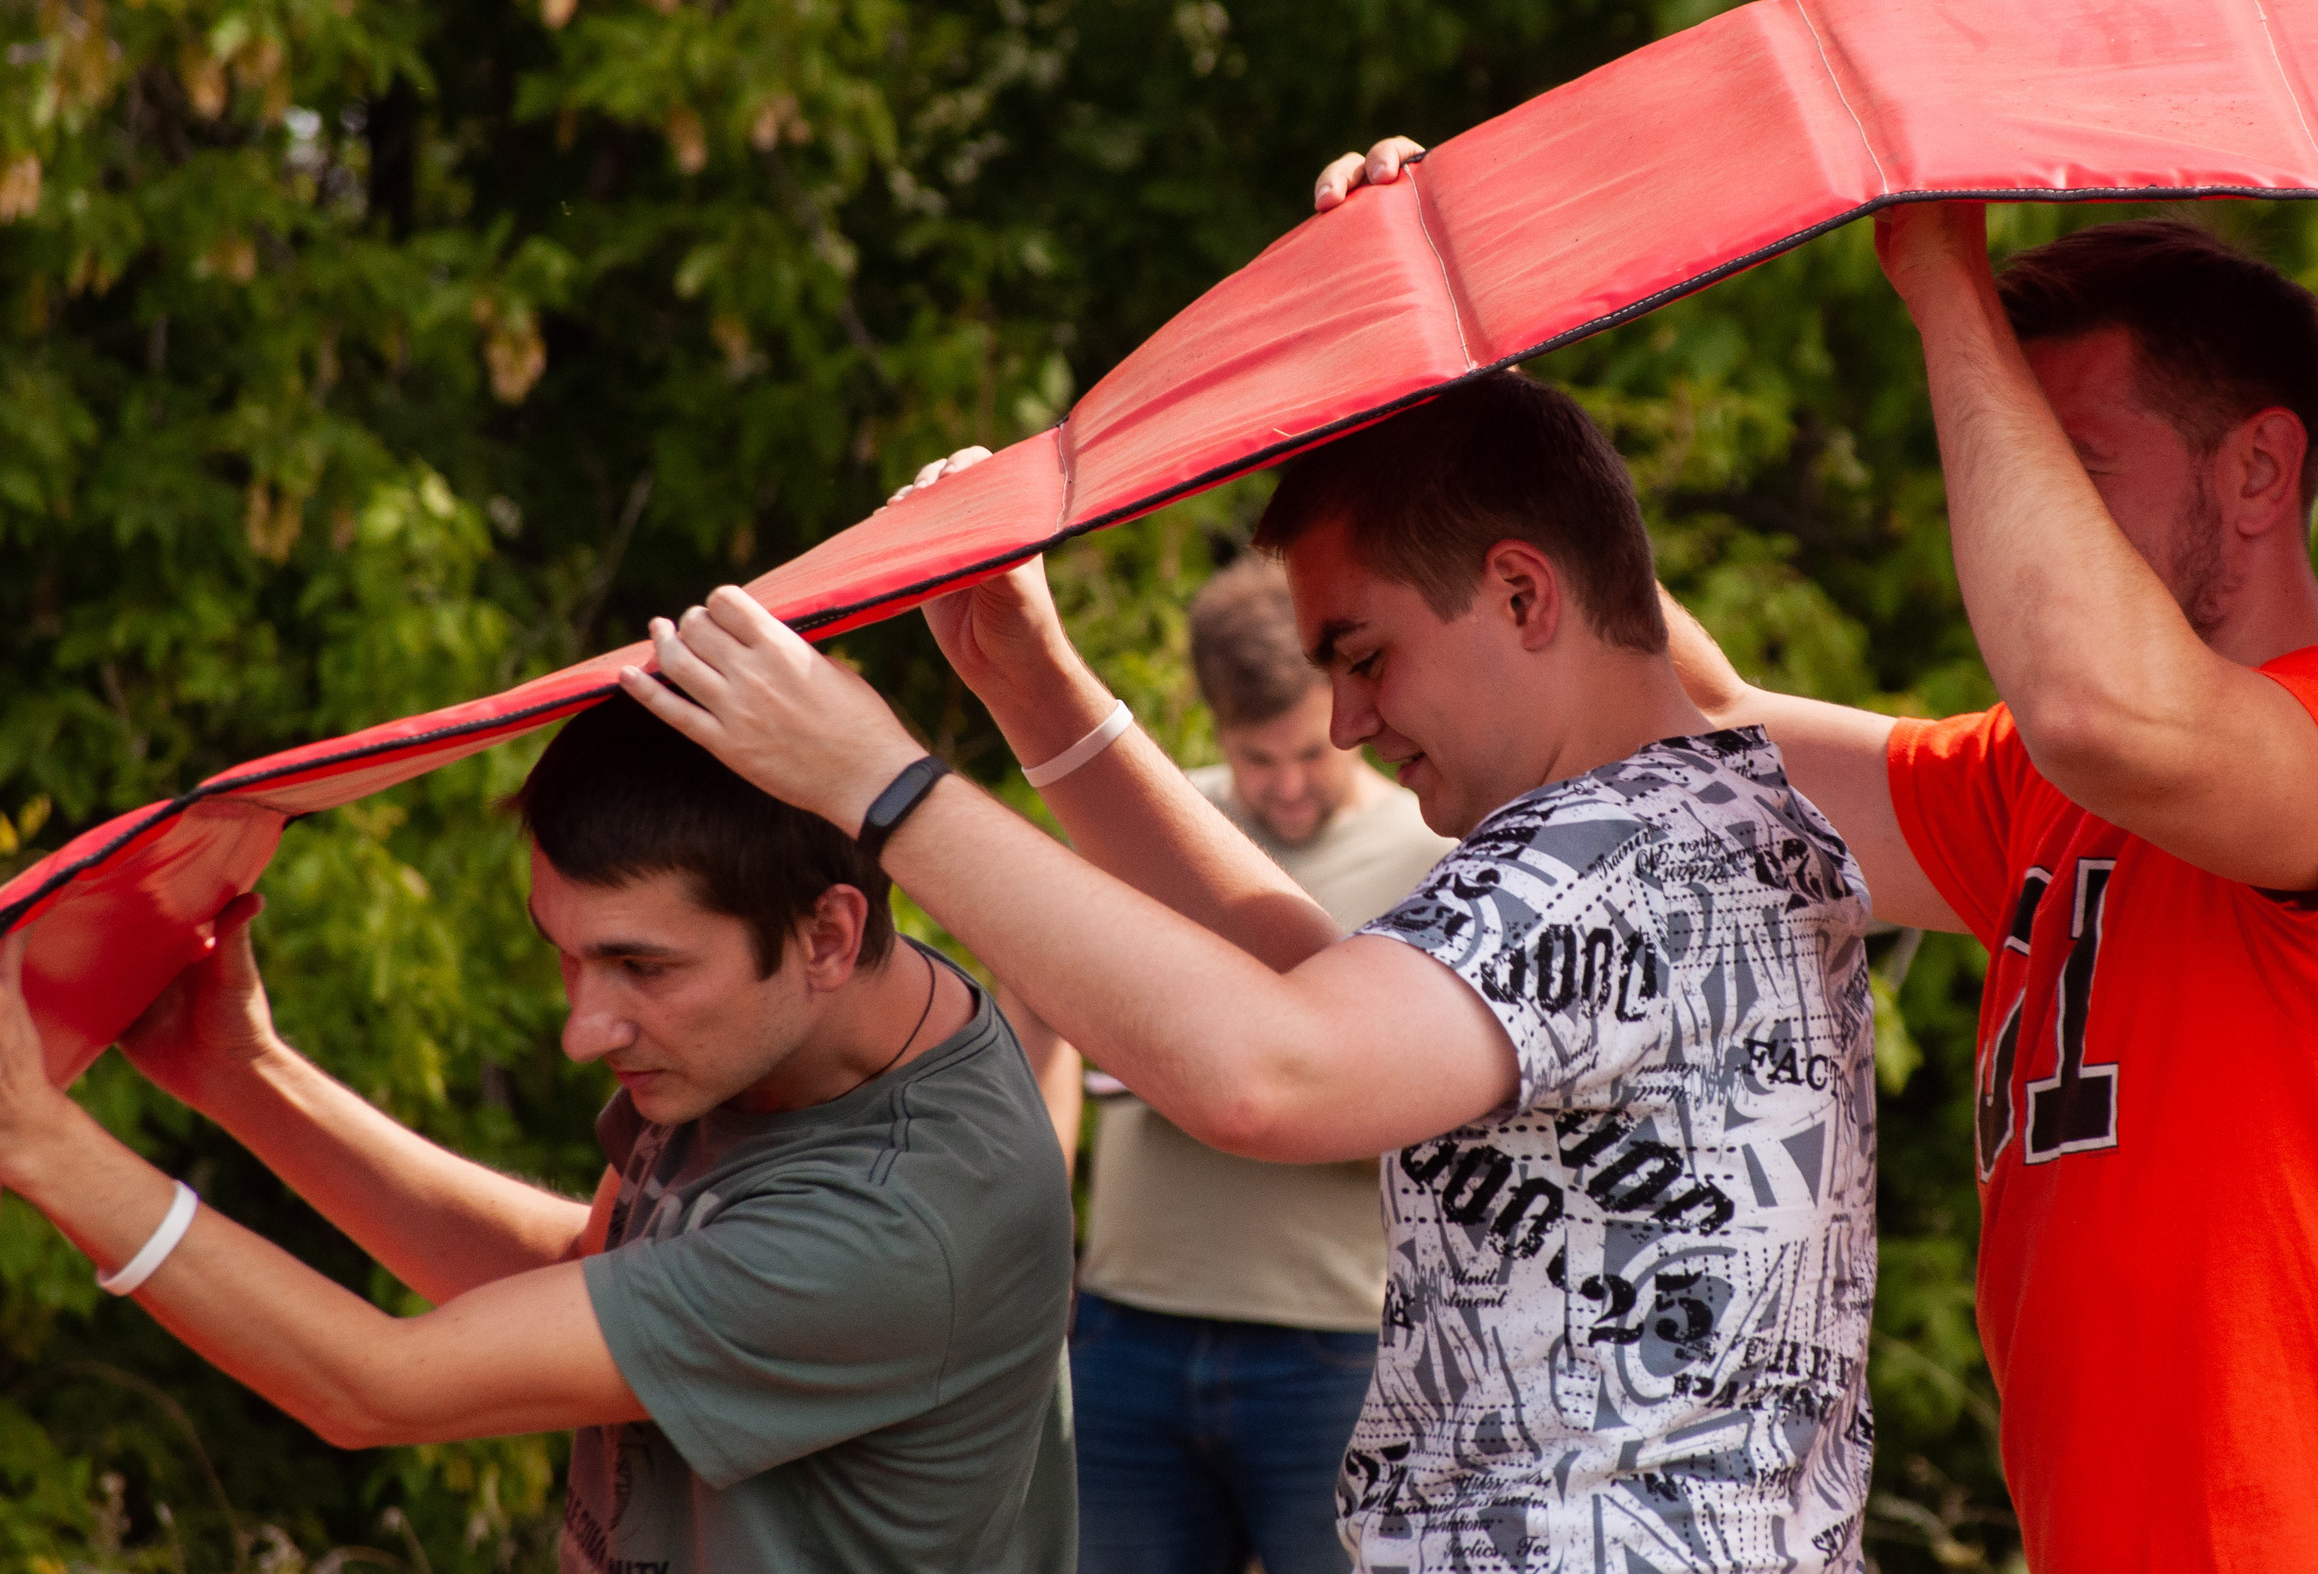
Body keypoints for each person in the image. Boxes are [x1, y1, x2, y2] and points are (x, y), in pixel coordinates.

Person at [1325, 140, 2318, 1567]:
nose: (2016, 502)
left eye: (2071, 458)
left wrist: (1941, 272)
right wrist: (1454, 368)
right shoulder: (2043, 784)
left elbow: (2105, 708)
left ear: (2260, 471)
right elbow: (1699, 722)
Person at [623, 371, 1881, 1572]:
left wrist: (882, 786)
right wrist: (1033, 687)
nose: (1343, 721)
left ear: (1519, 593)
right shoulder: (1692, 816)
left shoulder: (1604, 855)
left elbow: (1269, 1074)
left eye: (1364, 654)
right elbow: (1306, 986)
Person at [0, 694, 1075, 1573]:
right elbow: (586, 1274)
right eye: (565, 954)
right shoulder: (793, 1030)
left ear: (829, 932)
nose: (582, 1029)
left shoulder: (899, 1221)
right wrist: (244, 1076)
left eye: (640, 966)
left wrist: (46, 1147)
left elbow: (377, 1386)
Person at [1016, 553, 1452, 1574]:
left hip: (1338, 1343)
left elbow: (1450, 1122)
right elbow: (1035, 1002)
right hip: (1126, 1328)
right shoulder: (1148, 825)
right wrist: (1041, 1219)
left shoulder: (1435, 851)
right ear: (1213, 725)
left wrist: (1248, 1087)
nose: (1288, 786)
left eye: (1310, 751)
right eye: (1258, 760)